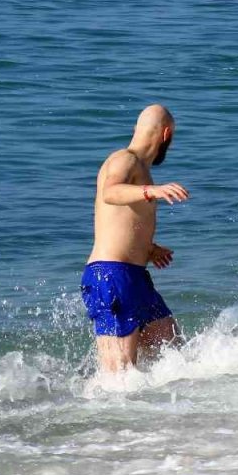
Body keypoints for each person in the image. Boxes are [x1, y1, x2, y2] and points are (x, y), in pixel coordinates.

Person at [81, 105, 189, 373]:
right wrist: (152, 191)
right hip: (111, 276)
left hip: (135, 277)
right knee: (119, 377)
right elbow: (111, 192)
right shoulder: (124, 159)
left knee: (174, 353)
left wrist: (149, 249)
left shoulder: (139, 167)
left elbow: (118, 222)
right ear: (167, 135)